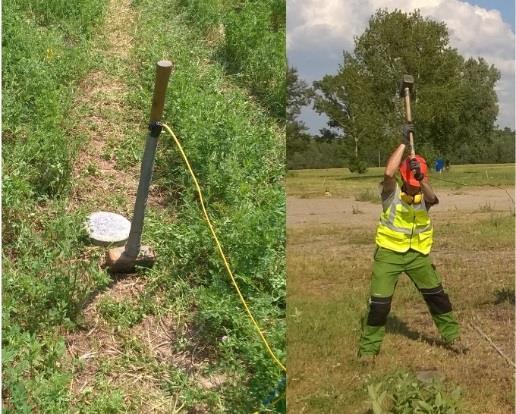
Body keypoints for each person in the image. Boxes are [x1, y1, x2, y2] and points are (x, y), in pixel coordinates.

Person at [358, 124, 464, 359]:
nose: (413, 187)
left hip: (417, 255)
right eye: (411, 181)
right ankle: (367, 351)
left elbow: (433, 197)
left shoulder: (424, 196)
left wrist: (422, 178)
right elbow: (387, 173)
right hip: (389, 255)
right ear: (403, 178)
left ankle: (453, 338)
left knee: (437, 297)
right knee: (379, 305)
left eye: (417, 182)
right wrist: (404, 142)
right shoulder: (391, 192)